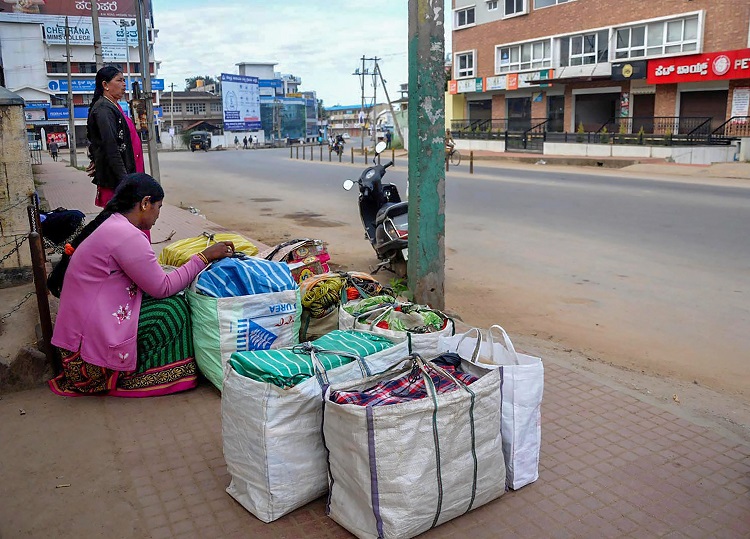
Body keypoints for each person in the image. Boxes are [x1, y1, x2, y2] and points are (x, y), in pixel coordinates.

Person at [48, 173, 235, 397]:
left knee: (169, 300)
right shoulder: (126, 234)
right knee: (173, 310)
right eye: (158, 206)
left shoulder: (112, 224)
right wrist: (203, 257)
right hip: (87, 363)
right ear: (145, 203)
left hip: (76, 348)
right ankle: (137, 374)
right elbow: (162, 287)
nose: (158, 214)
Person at [86, 66, 144, 210]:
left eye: (124, 80)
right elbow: (110, 145)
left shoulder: (114, 106)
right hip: (118, 181)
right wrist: (125, 181)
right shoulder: (104, 109)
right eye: (119, 80)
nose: (124, 84)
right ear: (105, 85)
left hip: (129, 173)